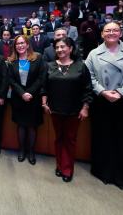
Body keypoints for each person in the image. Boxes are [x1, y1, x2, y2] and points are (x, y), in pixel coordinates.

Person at [84, 22, 123, 189]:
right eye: (107, 30)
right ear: (102, 33)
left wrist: (120, 92)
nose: (111, 33)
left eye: (115, 30)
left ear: (121, 33)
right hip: (102, 100)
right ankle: (103, 172)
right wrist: (103, 92)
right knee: (102, 137)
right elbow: (88, 76)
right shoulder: (94, 54)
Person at [41, 36, 92, 182]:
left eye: (63, 46)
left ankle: (67, 169)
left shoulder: (80, 66)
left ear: (71, 48)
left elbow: (87, 89)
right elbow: (45, 87)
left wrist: (85, 107)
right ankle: (59, 165)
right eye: (57, 47)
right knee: (58, 139)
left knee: (70, 140)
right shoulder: (50, 66)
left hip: (74, 110)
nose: (59, 50)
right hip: (55, 109)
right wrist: (44, 104)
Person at [7, 35, 44, 165]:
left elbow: (41, 77)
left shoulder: (38, 58)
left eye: (23, 43)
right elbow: (10, 79)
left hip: (33, 98)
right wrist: (22, 93)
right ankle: (22, 150)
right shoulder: (11, 61)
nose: (20, 46)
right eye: (17, 44)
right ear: (15, 47)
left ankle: (31, 152)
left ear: (28, 44)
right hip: (18, 97)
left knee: (32, 126)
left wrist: (30, 92)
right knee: (21, 125)